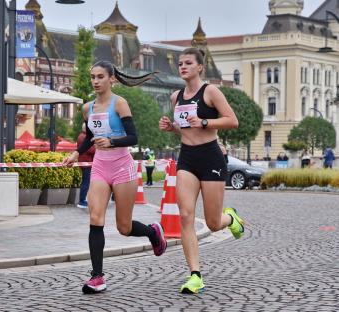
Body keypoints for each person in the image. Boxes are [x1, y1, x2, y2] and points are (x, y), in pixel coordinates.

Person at [63, 60, 167, 294]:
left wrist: (111, 141)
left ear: (111, 79)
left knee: (124, 227)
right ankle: (97, 277)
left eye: (100, 77)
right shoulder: (87, 108)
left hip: (122, 166)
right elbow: (89, 136)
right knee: (96, 217)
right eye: (92, 77)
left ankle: (152, 232)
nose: (95, 81)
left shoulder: (120, 104)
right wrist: (75, 153)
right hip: (100, 165)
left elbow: (133, 137)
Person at [159, 48, 243, 294]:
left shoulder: (211, 92)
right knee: (185, 215)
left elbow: (232, 120)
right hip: (186, 158)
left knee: (213, 223)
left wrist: (206, 122)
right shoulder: (176, 97)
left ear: (199, 67)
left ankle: (232, 218)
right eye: (180, 63)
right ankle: (195, 275)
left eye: (188, 63)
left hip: (210, 157)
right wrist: (172, 127)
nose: (182, 67)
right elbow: (185, 128)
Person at [76, 125, 95, 209]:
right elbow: (90, 149)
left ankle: (83, 200)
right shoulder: (84, 137)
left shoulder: (82, 136)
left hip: (85, 161)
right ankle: (82, 200)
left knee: (86, 181)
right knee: (86, 182)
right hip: (86, 162)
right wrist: (97, 147)